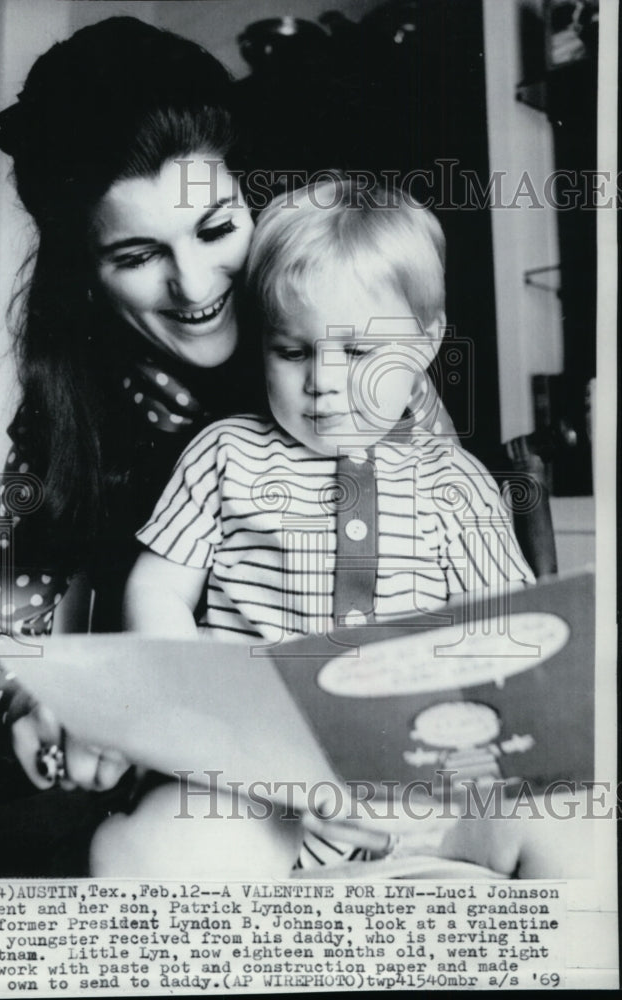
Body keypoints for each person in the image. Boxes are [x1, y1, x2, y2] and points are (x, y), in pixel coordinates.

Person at [0, 17, 456, 876]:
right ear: (86, 273)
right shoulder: (70, 415)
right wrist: (44, 696)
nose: (194, 286)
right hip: (205, 806)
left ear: (249, 199)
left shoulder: (356, 356)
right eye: (140, 255)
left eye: (216, 230)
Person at [110, 178, 534, 875]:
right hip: (255, 782)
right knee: (149, 853)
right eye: (294, 351)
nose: (324, 382)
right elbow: (156, 590)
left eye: (360, 354)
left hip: (428, 789)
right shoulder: (225, 454)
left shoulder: (455, 481)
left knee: (569, 828)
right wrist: (206, 723)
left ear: (425, 344)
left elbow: (512, 635)